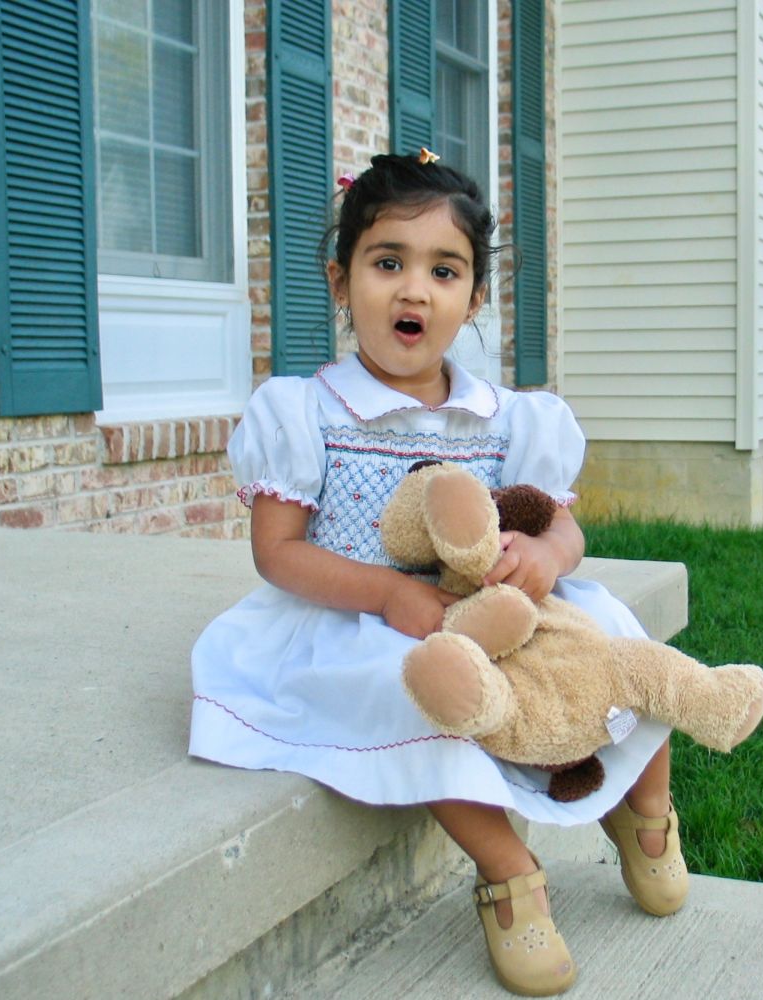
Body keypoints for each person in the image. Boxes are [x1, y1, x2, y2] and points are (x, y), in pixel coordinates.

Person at [190, 151, 687, 996]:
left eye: (443, 271)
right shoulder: (306, 412)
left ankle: (644, 813)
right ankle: (508, 872)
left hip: (494, 605)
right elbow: (278, 551)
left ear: (475, 297)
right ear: (341, 280)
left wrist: (546, 556)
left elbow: (559, 522)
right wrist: (389, 591)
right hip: (365, 615)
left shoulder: (509, 419)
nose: (413, 291)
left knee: (619, 642)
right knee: (416, 690)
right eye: (387, 263)